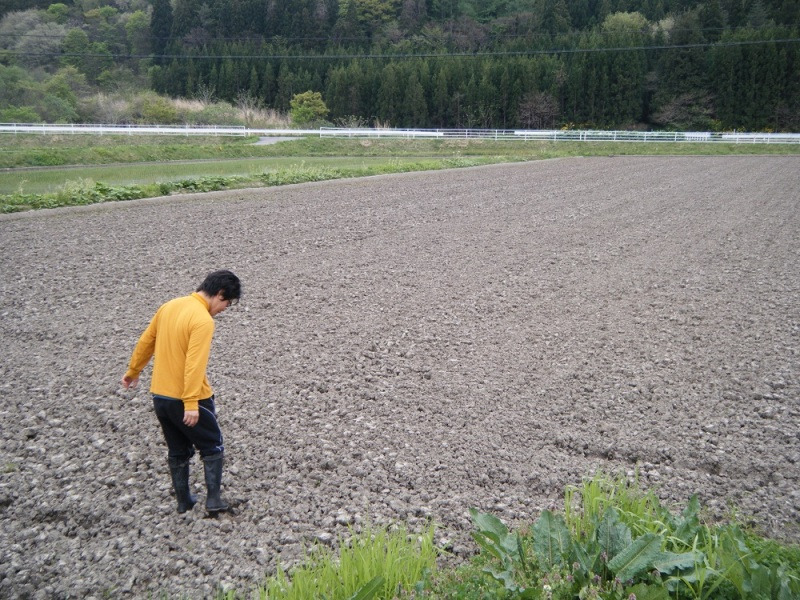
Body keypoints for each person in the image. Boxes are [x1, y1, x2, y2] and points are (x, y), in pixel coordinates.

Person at [121, 270, 242, 514]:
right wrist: (191, 403)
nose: (224, 309)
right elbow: (194, 364)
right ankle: (214, 501)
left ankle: (184, 501)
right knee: (212, 444)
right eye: (227, 303)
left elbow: (147, 341)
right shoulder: (202, 320)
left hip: (161, 396)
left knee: (178, 449)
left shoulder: (169, 306)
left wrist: (134, 370)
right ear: (219, 294)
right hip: (189, 397)